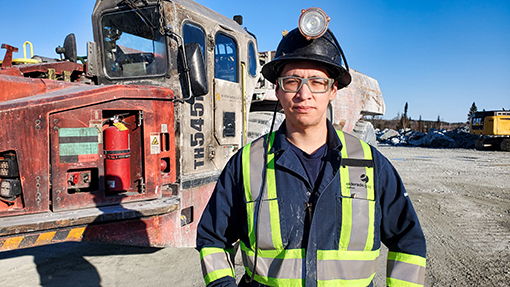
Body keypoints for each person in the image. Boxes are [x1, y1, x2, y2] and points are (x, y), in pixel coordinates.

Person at [196, 15, 426, 287]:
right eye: (292, 81)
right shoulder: (246, 165)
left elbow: (408, 242)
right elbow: (213, 240)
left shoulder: (371, 165)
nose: (304, 94)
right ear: (277, 91)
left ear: (333, 90)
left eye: (317, 82)